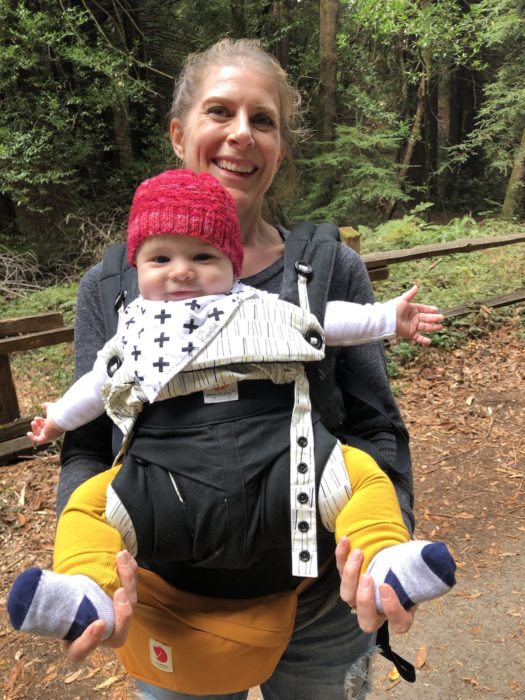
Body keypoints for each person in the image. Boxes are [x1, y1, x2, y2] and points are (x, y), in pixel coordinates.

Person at [47, 38, 437, 699]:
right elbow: (87, 447)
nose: (240, 135)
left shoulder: (325, 268)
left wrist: (380, 548)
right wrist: (96, 570)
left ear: (281, 147)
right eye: (219, 112)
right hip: (175, 608)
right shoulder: (111, 286)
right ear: (178, 133)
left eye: (263, 120)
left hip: (322, 604)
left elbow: (374, 425)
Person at [7, 169, 454, 649]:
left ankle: (383, 561)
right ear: (136, 266)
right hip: (164, 485)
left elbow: (323, 322)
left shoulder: (257, 306)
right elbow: (96, 386)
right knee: (88, 505)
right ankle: (88, 591)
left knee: (362, 474)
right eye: (161, 258)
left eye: (203, 256)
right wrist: (57, 418)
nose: (182, 270)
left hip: (289, 469)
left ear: (232, 266)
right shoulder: (131, 331)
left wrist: (389, 317)